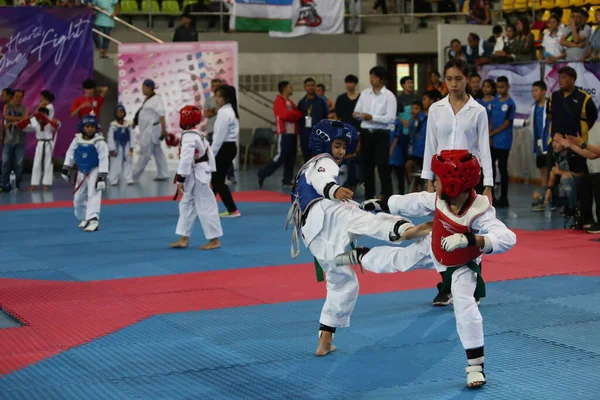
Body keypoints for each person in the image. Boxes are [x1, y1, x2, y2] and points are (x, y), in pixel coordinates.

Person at [342, 150, 517, 388]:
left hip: (462, 263)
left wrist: (470, 240)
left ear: (454, 184)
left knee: (465, 304)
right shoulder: (438, 198)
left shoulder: (480, 211)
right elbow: (412, 202)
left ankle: (475, 367)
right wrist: (381, 203)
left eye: (439, 179)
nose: (435, 183)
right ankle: (362, 256)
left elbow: (507, 237)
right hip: (434, 246)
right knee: (400, 260)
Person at [285, 119, 429, 357]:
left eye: (344, 147)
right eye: (338, 145)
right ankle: (403, 229)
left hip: (312, 235)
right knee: (363, 219)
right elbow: (324, 180)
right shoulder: (323, 162)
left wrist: (332, 190)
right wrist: (334, 190)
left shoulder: (305, 168)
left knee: (342, 283)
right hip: (327, 211)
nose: (341, 151)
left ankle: (325, 340)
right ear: (324, 143)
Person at [421, 59, 493, 306]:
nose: (453, 84)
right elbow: (429, 145)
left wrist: (489, 184)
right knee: (439, 233)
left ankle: (474, 285)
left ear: (468, 79)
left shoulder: (478, 111)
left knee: (470, 231)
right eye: (449, 79)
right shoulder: (435, 109)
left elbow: (484, 148)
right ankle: (446, 286)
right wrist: (428, 179)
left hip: (468, 178)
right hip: (442, 179)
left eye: (458, 79)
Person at [169, 106, 223, 250]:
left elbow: (186, 159)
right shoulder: (197, 134)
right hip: (198, 174)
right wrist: (210, 174)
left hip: (196, 174)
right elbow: (209, 154)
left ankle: (214, 240)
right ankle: (183, 238)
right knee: (186, 205)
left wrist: (180, 178)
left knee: (206, 206)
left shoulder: (189, 136)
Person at [353, 66, 397, 200]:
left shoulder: (389, 96)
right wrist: (361, 115)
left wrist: (372, 117)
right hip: (366, 133)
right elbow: (356, 111)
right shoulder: (365, 93)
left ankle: (387, 195)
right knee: (367, 166)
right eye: (370, 76)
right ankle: (369, 196)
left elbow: (390, 118)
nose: (371, 79)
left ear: (381, 79)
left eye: (374, 77)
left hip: (381, 134)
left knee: (382, 166)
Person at [61, 116, 109, 232]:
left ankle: (93, 220)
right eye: (87, 126)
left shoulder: (99, 142)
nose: (90, 129)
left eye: (92, 127)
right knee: (78, 198)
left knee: (94, 194)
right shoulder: (76, 139)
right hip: (81, 171)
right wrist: (66, 168)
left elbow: (104, 159)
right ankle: (84, 217)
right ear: (82, 127)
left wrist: (102, 177)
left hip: (94, 170)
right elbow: (70, 154)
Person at [258, 81, 303, 188]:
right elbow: (285, 115)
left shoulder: (291, 103)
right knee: (280, 156)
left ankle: (287, 180)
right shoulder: (279, 101)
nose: (292, 88)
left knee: (291, 158)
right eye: (290, 86)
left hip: (293, 133)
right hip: (284, 133)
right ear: (284, 88)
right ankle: (263, 173)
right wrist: (295, 115)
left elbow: (299, 114)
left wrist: (294, 115)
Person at [211, 85, 241, 218]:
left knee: (217, 181)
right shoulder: (229, 111)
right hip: (229, 147)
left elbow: (219, 137)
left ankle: (232, 209)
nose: (216, 99)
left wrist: (211, 153)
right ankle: (206, 207)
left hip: (224, 148)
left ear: (225, 98)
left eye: (218, 96)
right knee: (216, 180)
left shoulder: (224, 112)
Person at [132, 79, 169, 182]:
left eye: (143, 87)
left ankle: (134, 176)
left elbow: (161, 114)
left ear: (149, 87)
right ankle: (163, 173)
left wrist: (164, 129)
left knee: (144, 154)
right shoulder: (149, 99)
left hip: (151, 131)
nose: (142, 90)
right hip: (148, 130)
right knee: (157, 152)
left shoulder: (156, 99)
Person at [521, 81, 550, 211]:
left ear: (544, 91)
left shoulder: (550, 105)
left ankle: (552, 197)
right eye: (532, 91)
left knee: (551, 171)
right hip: (538, 145)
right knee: (542, 171)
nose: (534, 94)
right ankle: (544, 197)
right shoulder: (533, 107)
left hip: (549, 144)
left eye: (536, 91)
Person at [488, 76, 516, 207]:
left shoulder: (511, 104)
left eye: (503, 86)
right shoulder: (494, 102)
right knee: (491, 168)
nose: (500, 89)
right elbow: (491, 120)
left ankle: (504, 198)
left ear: (508, 87)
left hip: (504, 141)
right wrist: (489, 136)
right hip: (493, 141)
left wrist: (492, 133)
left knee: (502, 168)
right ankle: (491, 196)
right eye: (498, 87)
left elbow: (506, 123)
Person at [19, 108, 60, 191]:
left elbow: (57, 125)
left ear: (47, 115)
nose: (41, 117)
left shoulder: (50, 122)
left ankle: (46, 184)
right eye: (40, 115)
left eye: (43, 115)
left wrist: (57, 122)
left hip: (48, 144)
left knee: (48, 164)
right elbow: (24, 128)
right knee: (36, 163)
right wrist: (24, 122)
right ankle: (34, 184)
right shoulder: (35, 121)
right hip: (40, 144)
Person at [2, 89, 29, 192]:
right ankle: (4, 184)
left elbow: (25, 118)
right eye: (16, 96)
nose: (18, 98)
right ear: (13, 97)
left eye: (20, 97)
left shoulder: (25, 108)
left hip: (20, 141)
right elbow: (5, 116)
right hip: (8, 140)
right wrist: (19, 119)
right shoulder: (7, 106)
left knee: (19, 164)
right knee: (5, 163)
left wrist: (11, 121)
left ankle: (16, 185)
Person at [298, 78, 330, 163]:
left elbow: (327, 116)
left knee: (319, 159)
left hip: (319, 134)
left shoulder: (322, 101)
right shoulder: (301, 102)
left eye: (312, 85)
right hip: (305, 135)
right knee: (307, 159)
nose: (311, 87)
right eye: (308, 85)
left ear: (315, 87)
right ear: (305, 87)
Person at [107, 105, 134, 186]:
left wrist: (132, 146)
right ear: (115, 114)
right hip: (116, 146)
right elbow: (110, 137)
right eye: (118, 112)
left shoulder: (128, 124)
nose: (120, 114)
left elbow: (131, 135)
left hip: (127, 145)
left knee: (128, 161)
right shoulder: (113, 125)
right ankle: (113, 179)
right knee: (115, 162)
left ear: (124, 113)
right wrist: (111, 148)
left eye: (121, 112)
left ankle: (129, 178)